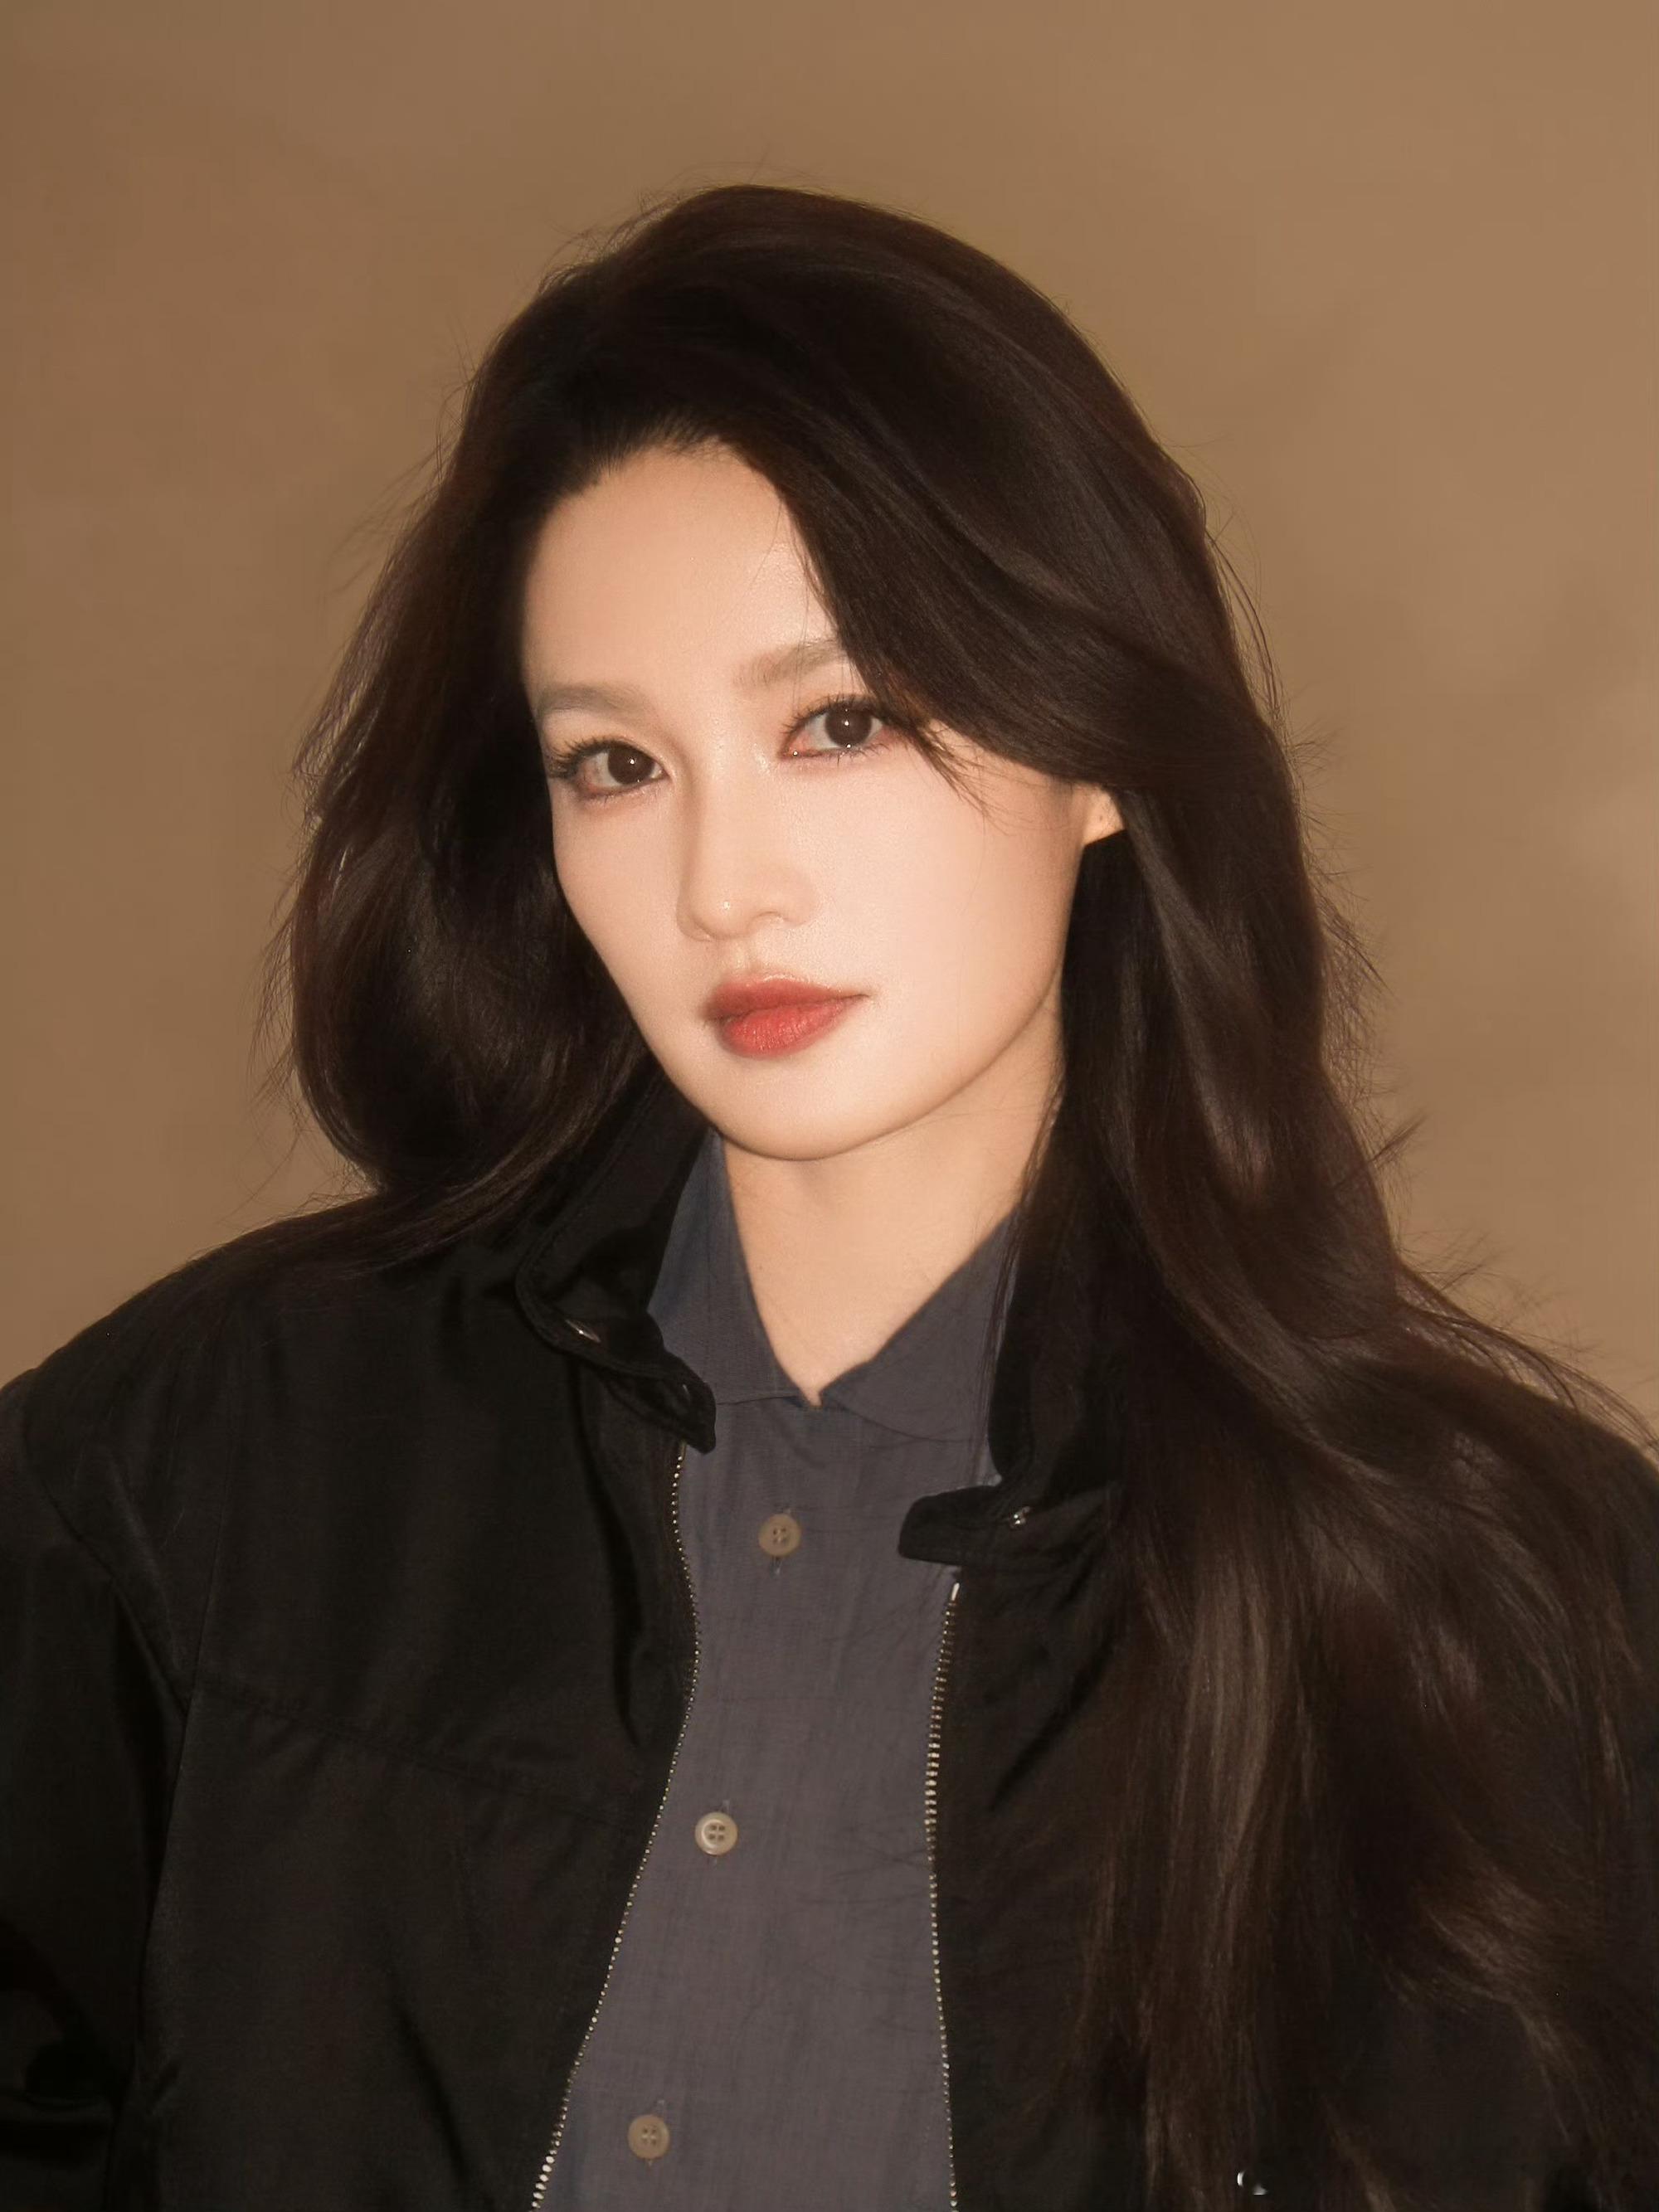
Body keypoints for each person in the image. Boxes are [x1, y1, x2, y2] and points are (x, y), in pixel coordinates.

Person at [2, 181, 1655, 2212]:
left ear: (1101, 746)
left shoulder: (1525, 1615)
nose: (723, 886)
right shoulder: (211, 1451)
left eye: (838, 722)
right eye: (615, 764)